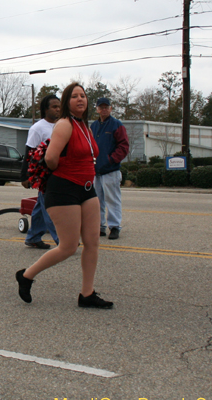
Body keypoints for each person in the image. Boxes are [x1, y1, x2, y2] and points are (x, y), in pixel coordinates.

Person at [15, 83, 114, 309]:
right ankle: (26, 276)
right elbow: (51, 158)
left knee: (92, 243)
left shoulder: (85, 128)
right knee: (69, 247)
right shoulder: (65, 125)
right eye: (74, 96)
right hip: (64, 189)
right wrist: (68, 170)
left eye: (83, 96)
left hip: (87, 189)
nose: (80, 99)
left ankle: (86, 294)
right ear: (67, 102)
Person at [20, 94, 61, 249]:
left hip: (59, 172)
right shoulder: (37, 128)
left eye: (59, 106)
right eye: (54, 107)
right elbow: (29, 151)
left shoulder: (61, 125)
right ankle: (62, 240)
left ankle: (33, 237)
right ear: (45, 109)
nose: (58, 109)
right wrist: (25, 176)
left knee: (41, 206)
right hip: (44, 174)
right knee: (51, 207)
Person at [90, 97, 129, 240]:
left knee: (112, 200)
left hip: (111, 171)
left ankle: (114, 227)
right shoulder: (93, 126)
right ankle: (100, 226)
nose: (104, 109)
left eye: (106, 107)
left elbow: (123, 147)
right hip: (95, 171)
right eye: (101, 107)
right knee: (96, 200)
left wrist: (110, 160)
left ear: (111, 108)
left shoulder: (116, 125)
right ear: (97, 109)